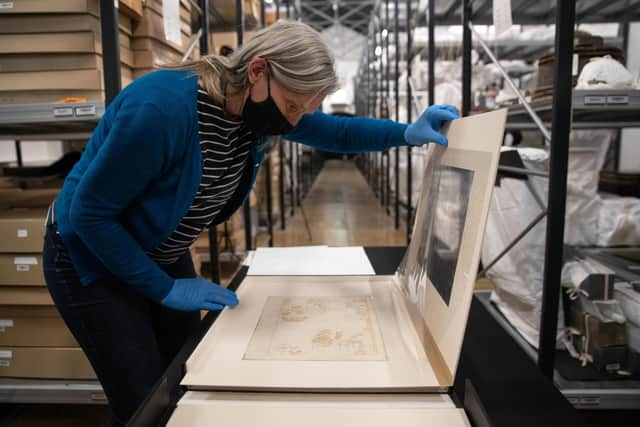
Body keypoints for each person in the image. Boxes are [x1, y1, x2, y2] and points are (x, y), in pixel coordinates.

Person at [42, 20, 458, 426]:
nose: (295, 122)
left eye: (305, 110)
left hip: (158, 250)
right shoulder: (161, 109)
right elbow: (90, 215)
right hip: (88, 258)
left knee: (186, 376)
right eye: (293, 107)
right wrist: (164, 288)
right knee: (143, 401)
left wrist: (406, 133)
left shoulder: (256, 108)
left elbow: (338, 132)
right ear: (258, 70)